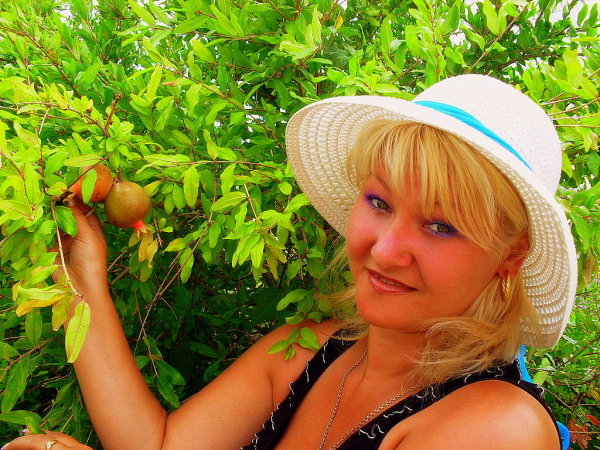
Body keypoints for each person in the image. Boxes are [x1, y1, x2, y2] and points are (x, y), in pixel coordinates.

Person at [4, 74, 576, 450]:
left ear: (509, 256)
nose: (384, 250)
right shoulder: (303, 352)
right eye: (379, 203)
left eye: (441, 226)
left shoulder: (496, 428)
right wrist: (81, 278)